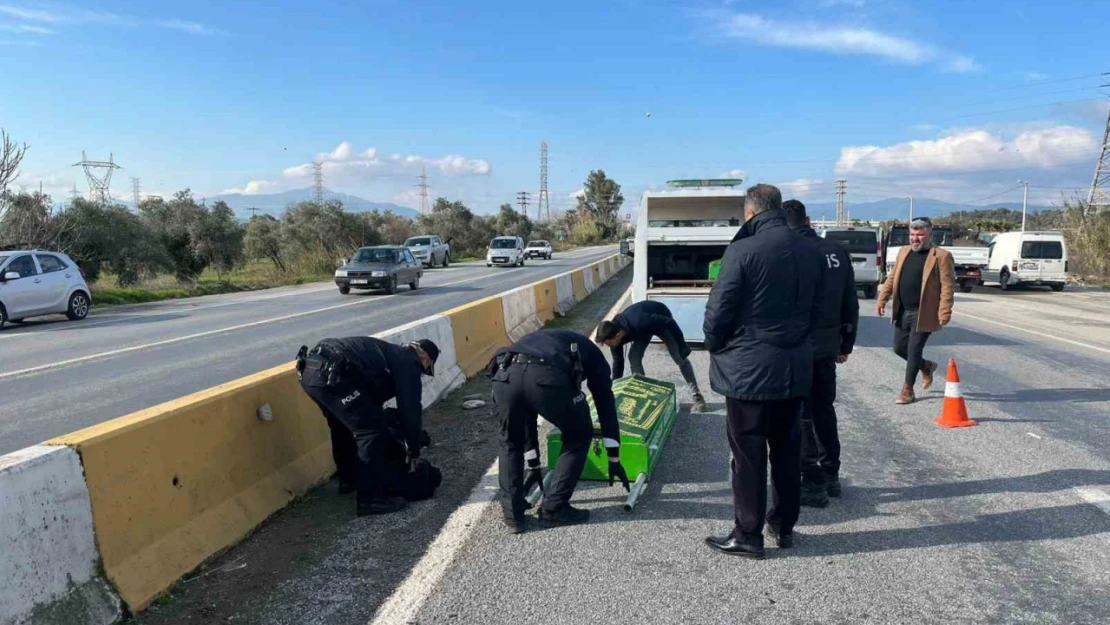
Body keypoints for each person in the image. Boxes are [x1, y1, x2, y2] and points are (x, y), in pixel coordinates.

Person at [702, 184, 823, 560]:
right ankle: (783, 525)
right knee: (787, 450)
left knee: (748, 454)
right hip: (795, 368)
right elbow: (821, 310)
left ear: (750, 213)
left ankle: (747, 534)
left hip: (750, 372)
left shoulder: (743, 249)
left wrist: (716, 344)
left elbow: (718, 312)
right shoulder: (811, 249)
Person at [487, 329, 631, 534]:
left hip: (504, 376)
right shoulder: (594, 356)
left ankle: (513, 514)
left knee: (510, 442)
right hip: (545, 377)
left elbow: (528, 416)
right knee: (578, 434)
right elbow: (605, 404)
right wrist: (614, 457)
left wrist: (534, 465)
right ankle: (554, 508)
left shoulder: (538, 340)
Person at [296, 337, 440, 516]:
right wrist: (413, 449)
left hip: (311, 373)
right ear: (425, 358)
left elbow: (370, 403)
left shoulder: (387, 354)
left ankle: (349, 479)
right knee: (371, 433)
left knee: (344, 425)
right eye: (425, 369)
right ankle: (370, 500)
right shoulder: (408, 360)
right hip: (335, 376)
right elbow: (410, 407)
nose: (420, 372)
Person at [783, 200, 859, 508]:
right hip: (827, 346)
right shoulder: (836, 252)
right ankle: (832, 475)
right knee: (824, 411)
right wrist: (846, 344)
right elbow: (850, 301)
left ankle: (811, 479)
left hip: (797, 348)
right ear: (809, 219)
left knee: (802, 415)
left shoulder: (789, 253)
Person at [877, 217, 956, 405]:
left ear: (929, 234)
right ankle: (926, 366)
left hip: (924, 312)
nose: (915, 238)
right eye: (912, 234)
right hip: (903, 310)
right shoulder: (904, 252)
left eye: (919, 234)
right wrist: (882, 299)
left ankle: (907, 389)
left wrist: (945, 311)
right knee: (899, 348)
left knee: (914, 349)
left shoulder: (941, 256)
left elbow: (948, 286)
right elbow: (892, 278)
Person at [595, 300, 708, 412]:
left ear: (617, 336)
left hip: (661, 319)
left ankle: (697, 396)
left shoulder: (639, 321)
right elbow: (618, 363)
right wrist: (614, 391)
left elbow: (670, 322)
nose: (608, 346)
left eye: (608, 343)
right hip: (642, 330)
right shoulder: (613, 336)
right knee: (634, 357)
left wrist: (682, 344)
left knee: (679, 357)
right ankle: (644, 395)